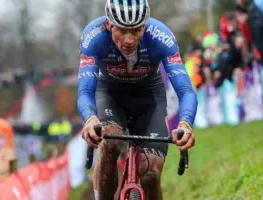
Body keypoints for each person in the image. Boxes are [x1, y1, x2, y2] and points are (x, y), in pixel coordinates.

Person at [77, 0, 198, 199]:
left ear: (145, 25)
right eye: (123, 31)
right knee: (110, 144)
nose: (129, 39)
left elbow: (185, 91)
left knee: (150, 175)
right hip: (109, 95)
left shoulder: (161, 36)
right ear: (109, 25)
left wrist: (186, 123)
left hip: (149, 99)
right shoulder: (94, 36)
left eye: (136, 31)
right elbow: (84, 92)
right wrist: (90, 119)